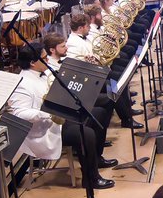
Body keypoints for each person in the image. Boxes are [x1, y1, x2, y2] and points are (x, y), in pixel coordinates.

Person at [9, 44, 116, 188]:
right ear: (32, 63)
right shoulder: (22, 84)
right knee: (86, 133)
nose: (48, 60)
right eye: (44, 58)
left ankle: (96, 158)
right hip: (44, 130)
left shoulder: (44, 72)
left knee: (98, 113)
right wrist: (47, 113)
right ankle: (91, 179)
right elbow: (19, 113)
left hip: (60, 118)